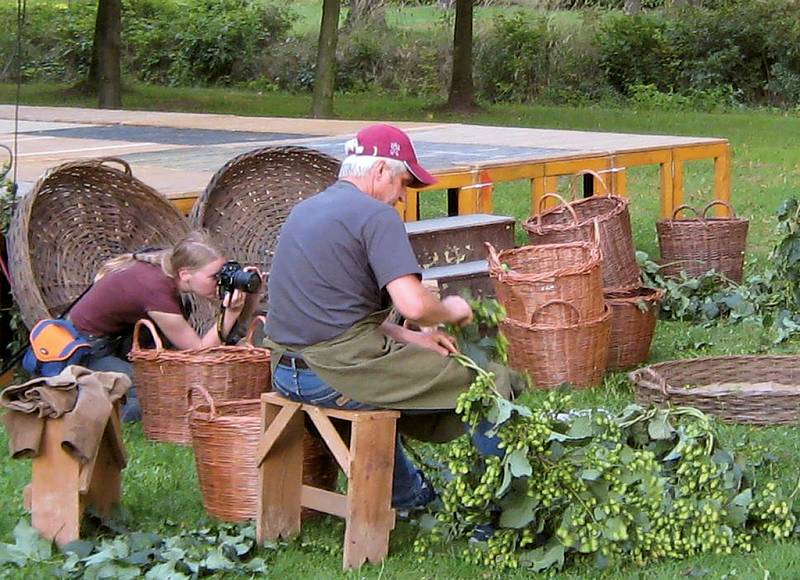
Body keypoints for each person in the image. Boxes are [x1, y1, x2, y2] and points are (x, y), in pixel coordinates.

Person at [265, 124, 511, 514]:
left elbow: (334, 314)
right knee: (493, 380)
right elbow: (414, 306)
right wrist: (452, 311)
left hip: (285, 370)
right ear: (380, 171)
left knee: (392, 375)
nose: (401, 196)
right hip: (333, 373)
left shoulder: (306, 210)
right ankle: (497, 513)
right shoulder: (376, 216)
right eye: (402, 183)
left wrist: (412, 340)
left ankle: (407, 496)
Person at [68, 230, 263, 422]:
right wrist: (230, 313)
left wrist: (249, 296)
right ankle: (96, 404)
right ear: (185, 274)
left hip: (121, 337)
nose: (219, 283)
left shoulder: (167, 268)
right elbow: (201, 352)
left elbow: (223, 337)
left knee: (174, 377)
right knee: (161, 392)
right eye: (214, 277)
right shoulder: (156, 290)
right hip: (85, 350)